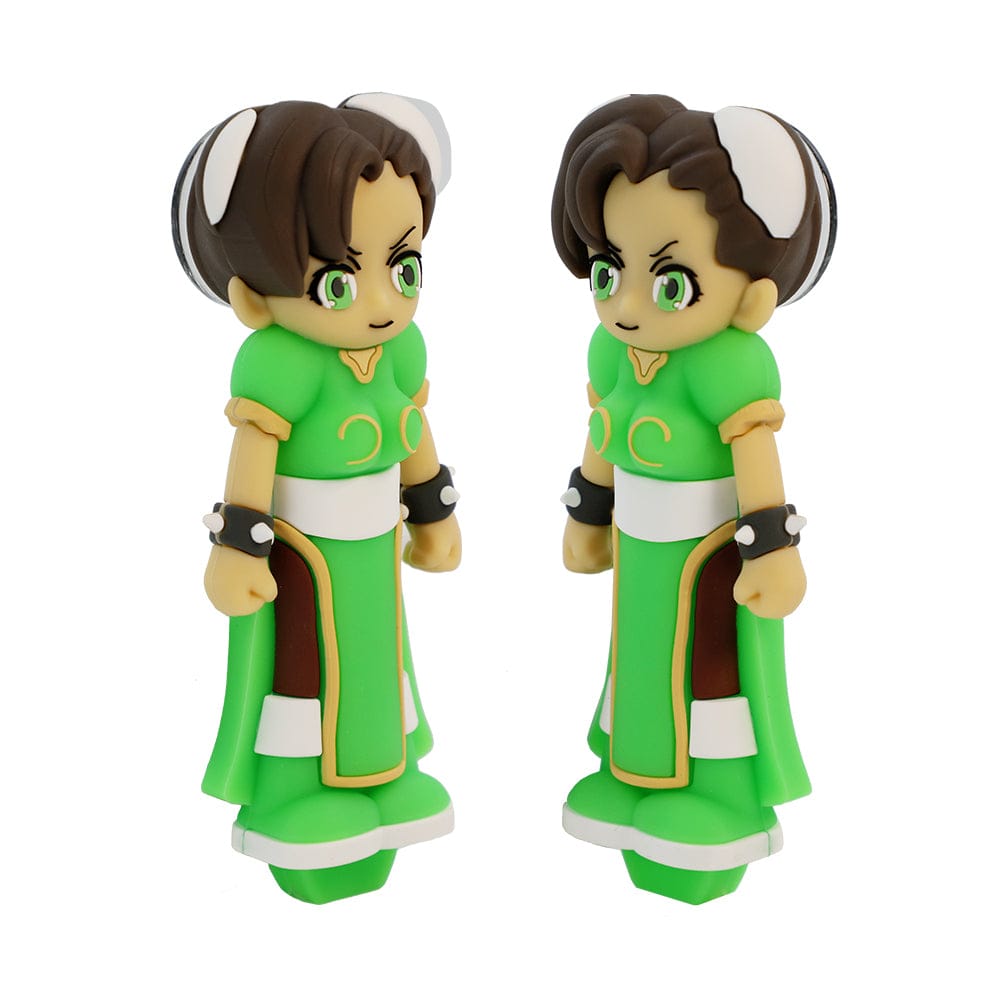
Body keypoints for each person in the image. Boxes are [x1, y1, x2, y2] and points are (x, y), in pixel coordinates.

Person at [172, 95, 460, 903]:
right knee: (303, 669)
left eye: (403, 268)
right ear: (253, 300)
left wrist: (433, 509)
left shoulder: (399, 349)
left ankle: (383, 775)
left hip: (373, 549)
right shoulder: (280, 365)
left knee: (378, 659)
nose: (381, 303)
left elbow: (409, 427)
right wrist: (238, 548)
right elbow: (253, 454)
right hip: (297, 554)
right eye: (338, 281)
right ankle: (295, 791)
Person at [552, 94, 836, 903]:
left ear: (751, 300)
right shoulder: (613, 351)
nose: (627, 305)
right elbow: (605, 430)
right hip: (641, 550)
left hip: (715, 556)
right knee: (639, 660)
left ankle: (718, 794)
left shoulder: (729, 366)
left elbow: (756, 456)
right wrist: (589, 511)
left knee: (710, 672)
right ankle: (635, 773)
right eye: (609, 272)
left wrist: (772, 551)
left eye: (671, 283)